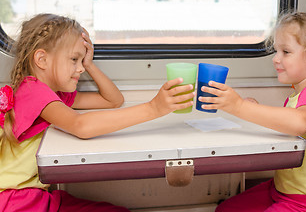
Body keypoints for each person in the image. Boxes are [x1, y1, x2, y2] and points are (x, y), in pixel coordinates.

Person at [0, 13, 195, 212]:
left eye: (81, 60)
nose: (80, 69)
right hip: (14, 200)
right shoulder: (33, 91)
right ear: (42, 59)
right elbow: (81, 125)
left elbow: (113, 100)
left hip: (32, 196)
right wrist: (154, 108)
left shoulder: (55, 95)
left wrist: (89, 64)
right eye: (74, 59)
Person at [199, 12, 306, 212]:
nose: (275, 59)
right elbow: (288, 124)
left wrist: (240, 107)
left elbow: (299, 123)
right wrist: (254, 108)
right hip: (281, 192)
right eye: (276, 51)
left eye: (286, 52)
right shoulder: (300, 95)